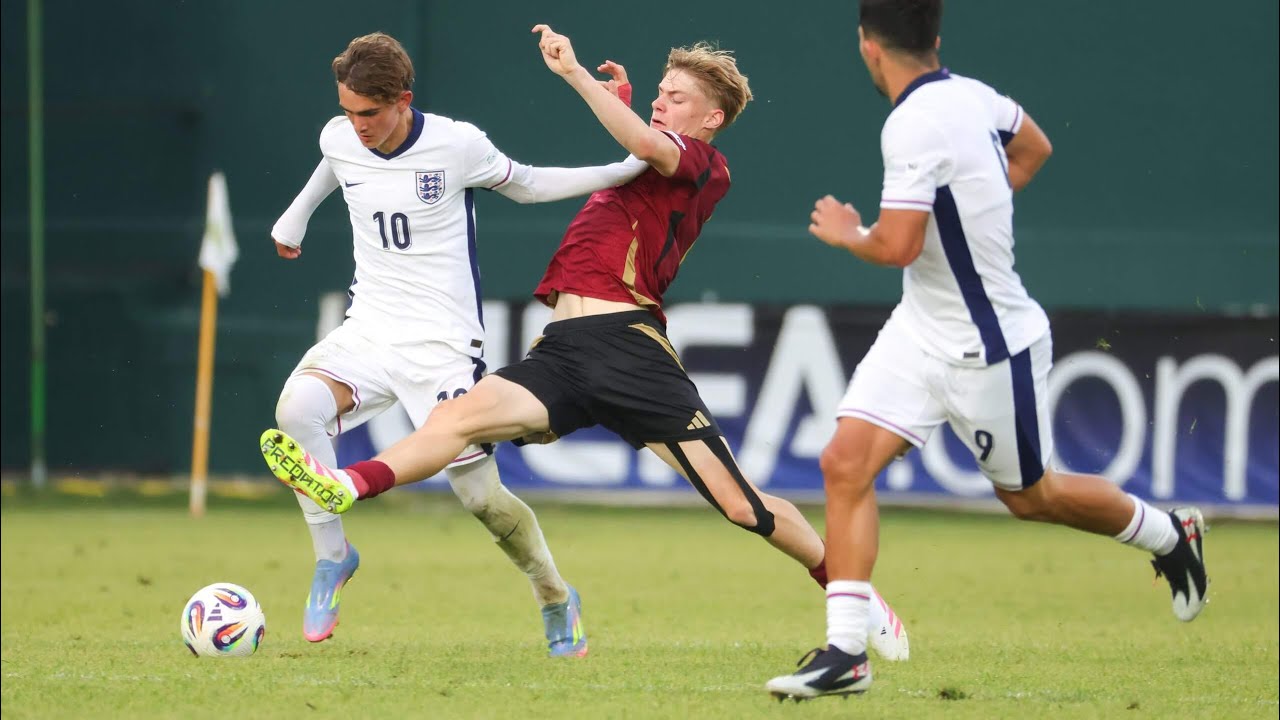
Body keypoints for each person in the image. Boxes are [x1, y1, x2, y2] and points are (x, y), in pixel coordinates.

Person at [260, 24, 911, 662]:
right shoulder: (648, 158)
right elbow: (631, 156)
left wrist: (574, 74)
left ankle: (849, 589)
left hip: (629, 349)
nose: (661, 102)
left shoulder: (704, 164)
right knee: (455, 421)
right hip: (566, 349)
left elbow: (638, 148)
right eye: (660, 91)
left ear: (712, 118)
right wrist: (626, 107)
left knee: (741, 506)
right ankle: (347, 484)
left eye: (675, 97)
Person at [764, 0, 1209, 700]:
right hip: (919, 328)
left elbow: (897, 246)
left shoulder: (909, 124)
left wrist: (849, 232)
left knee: (1033, 497)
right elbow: (1034, 147)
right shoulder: (975, 96)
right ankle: (847, 652)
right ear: (934, 39)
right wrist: (979, 204)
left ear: (867, 48)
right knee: (844, 462)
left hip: (988, 346)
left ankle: (1168, 533)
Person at [270, 31, 654, 657]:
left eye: (369, 113)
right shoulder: (340, 135)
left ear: (403, 100)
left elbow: (528, 184)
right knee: (295, 412)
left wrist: (626, 165)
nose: (357, 125)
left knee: (479, 498)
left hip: (443, 345)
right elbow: (333, 164)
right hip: (368, 327)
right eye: (348, 111)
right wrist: (295, 219)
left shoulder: (457, 144)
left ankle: (554, 593)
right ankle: (333, 557)